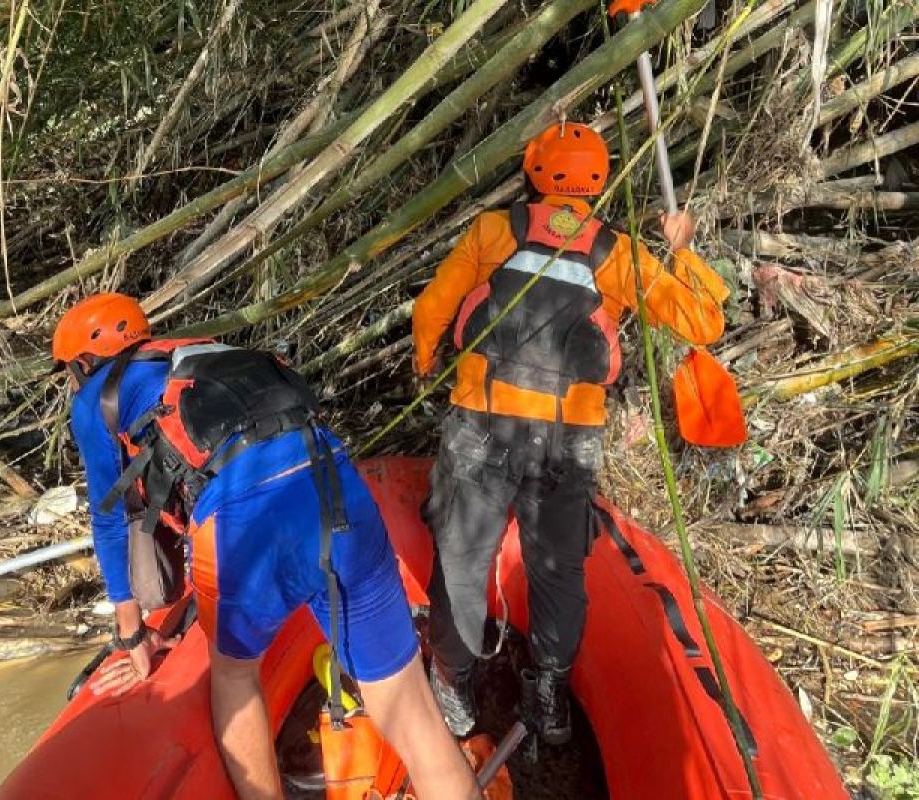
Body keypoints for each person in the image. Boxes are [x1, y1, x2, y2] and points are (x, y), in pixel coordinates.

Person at [54, 293, 478, 800]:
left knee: (234, 677)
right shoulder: (205, 352)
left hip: (244, 521)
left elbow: (110, 521)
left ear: (84, 361)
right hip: (338, 491)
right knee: (412, 710)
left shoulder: (96, 397)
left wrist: (131, 639)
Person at [411, 122, 730, 744]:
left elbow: (431, 310)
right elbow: (703, 322)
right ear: (598, 180)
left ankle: (453, 686)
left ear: (535, 171)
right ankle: (549, 692)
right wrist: (682, 249)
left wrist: (427, 366)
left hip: (482, 423)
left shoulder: (493, 231)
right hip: (568, 439)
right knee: (558, 570)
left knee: (462, 558)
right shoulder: (619, 252)